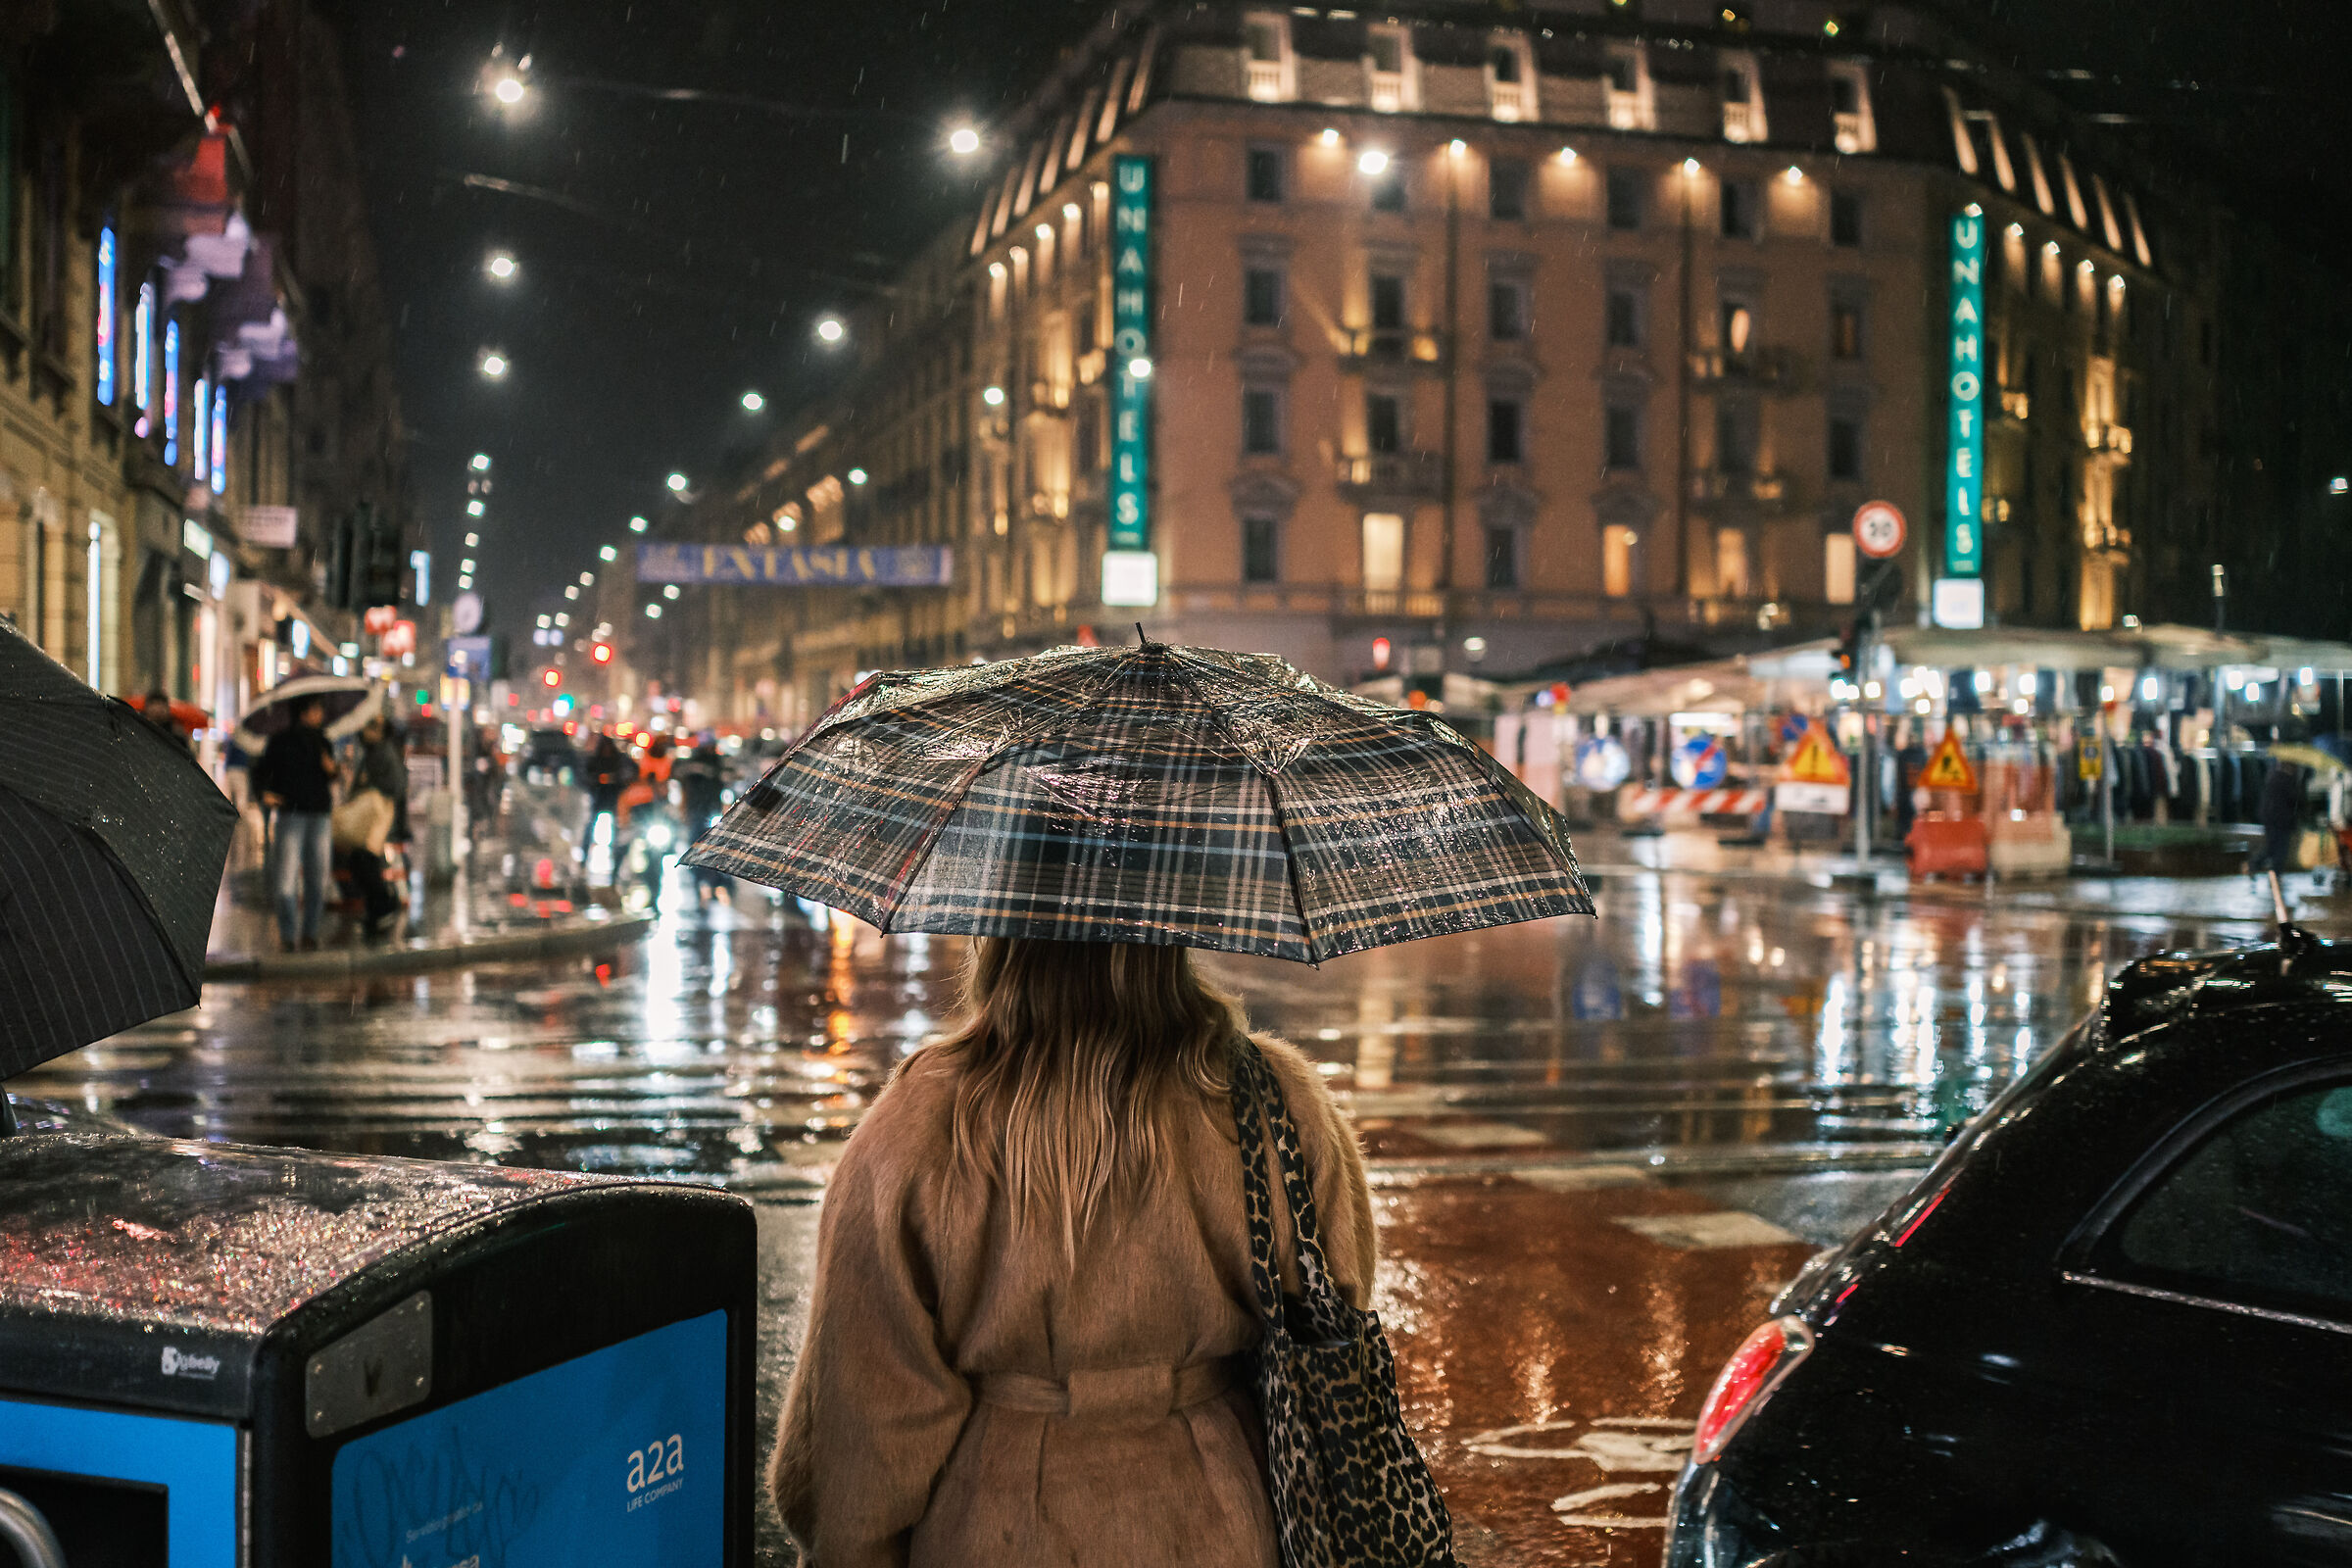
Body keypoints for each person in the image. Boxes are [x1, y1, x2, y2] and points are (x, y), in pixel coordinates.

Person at [771, 938, 1375, 1568]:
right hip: (1223, 1514)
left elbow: (862, 1421)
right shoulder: (1275, 1101)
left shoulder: (921, 1121)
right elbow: (1337, 1302)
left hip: (994, 1520)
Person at [254, 698, 338, 951]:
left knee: (318, 877)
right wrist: (263, 794)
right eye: (316, 709)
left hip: (319, 814)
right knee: (286, 880)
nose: (320, 714)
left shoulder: (323, 741)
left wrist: (331, 769)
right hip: (291, 814)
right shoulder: (280, 741)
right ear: (304, 713)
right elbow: (261, 772)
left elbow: (331, 775)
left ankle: (310, 933)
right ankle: (289, 935)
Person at [346, 713, 409, 941]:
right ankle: (378, 908)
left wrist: (369, 786)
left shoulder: (383, 752)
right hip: (371, 820)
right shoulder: (372, 752)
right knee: (360, 860)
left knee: (364, 860)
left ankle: (383, 906)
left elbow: (396, 786)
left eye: (371, 728)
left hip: (381, 822)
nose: (365, 732)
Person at [676, 738, 728, 902]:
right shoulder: (694, 765)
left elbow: (723, 786)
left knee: (713, 848)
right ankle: (697, 880)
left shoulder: (717, 764)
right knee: (697, 846)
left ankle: (712, 883)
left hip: (710, 811)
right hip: (697, 812)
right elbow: (684, 784)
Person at [583, 733, 633, 853]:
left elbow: (628, 773)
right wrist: (598, 780)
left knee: (615, 826)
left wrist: (616, 780)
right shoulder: (596, 760)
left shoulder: (618, 760)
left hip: (612, 796)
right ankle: (584, 853)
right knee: (591, 824)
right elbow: (587, 776)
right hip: (599, 796)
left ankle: (614, 852)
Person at [2259, 759, 2306, 881]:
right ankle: (2274, 874)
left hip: (2273, 819)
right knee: (2280, 849)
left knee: (2273, 847)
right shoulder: (2285, 779)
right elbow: (2296, 798)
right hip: (2281, 820)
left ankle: (2268, 871)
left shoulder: (2274, 776)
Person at [141, 690, 192, 756]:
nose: (157, 709)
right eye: (154, 704)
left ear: (167, 709)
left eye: (161, 704)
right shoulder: (140, 729)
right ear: (146, 708)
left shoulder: (176, 733)